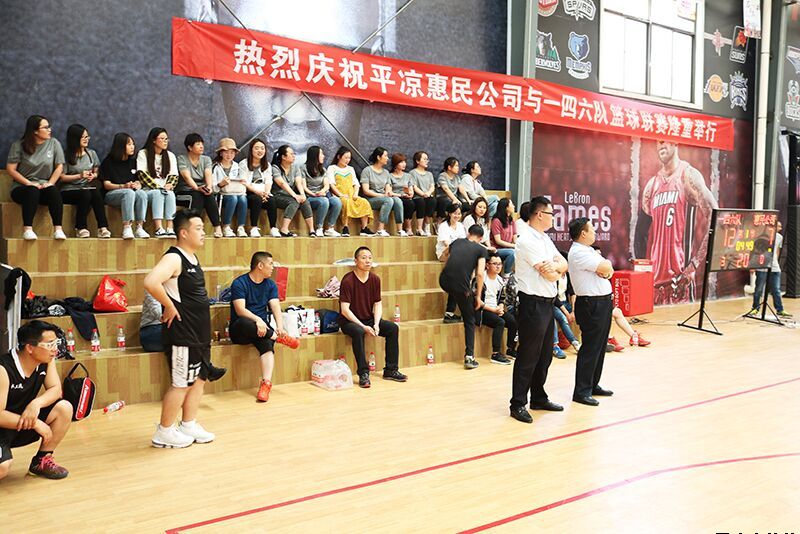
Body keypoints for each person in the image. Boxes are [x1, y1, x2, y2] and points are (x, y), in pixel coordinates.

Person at [143, 209, 215, 449]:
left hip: (199, 333)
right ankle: (164, 431)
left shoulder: (192, 257)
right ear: (183, 233)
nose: (203, 233)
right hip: (183, 333)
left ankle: (188, 424)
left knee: (199, 380)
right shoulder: (174, 258)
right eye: (198, 229)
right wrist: (169, 305)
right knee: (181, 383)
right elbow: (151, 281)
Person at [510, 196, 567, 424]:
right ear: (540, 214)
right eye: (551, 213)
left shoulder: (545, 239)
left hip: (547, 302)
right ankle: (518, 403)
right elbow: (551, 274)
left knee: (544, 355)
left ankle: (538, 397)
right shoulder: (527, 240)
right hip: (532, 303)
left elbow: (563, 264)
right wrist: (557, 269)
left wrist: (557, 267)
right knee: (528, 355)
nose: (554, 217)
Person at [640, 140, 718, 304]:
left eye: (664, 141)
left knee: (682, 320)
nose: (661, 145)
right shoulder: (651, 186)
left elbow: (716, 219)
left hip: (680, 281)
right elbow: (641, 234)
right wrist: (643, 271)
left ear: (675, 143)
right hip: (655, 285)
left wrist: (694, 265)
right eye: (658, 142)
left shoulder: (688, 176)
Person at [0, 321, 73, 480]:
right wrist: (36, 423)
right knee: (2, 468)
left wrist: (36, 403)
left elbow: (55, 389)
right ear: (30, 348)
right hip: (3, 426)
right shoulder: (3, 369)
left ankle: (41, 461)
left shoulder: (46, 360)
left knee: (64, 408)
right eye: (49, 344)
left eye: (56, 343)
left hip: (20, 423)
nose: (55, 349)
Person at [338, 246, 408, 388]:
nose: (368, 261)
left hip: (368, 319)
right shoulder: (348, 280)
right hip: (349, 321)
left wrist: (376, 324)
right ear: (355, 261)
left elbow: (377, 303)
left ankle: (390, 370)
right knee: (358, 332)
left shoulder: (375, 279)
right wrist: (363, 326)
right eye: (364, 258)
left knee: (392, 328)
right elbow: (345, 310)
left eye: (370, 258)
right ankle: (363, 373)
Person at [568, 217, 615, 407]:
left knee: (600, 345)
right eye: (592, 229)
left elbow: (609, 270)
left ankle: (593, 384)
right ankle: (581, 391)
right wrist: (606, 267)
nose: (595, 232)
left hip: (602, 302)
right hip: (591, 304)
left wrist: (606, 269)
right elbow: (606, 266)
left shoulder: (589, 250)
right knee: (590, 347)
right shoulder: (578, 252)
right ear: (583, 233)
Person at [230, 252, 287, 402]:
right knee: (245, 323)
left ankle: (266, 384)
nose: (273, 267)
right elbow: (240, 310)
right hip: (241, 329)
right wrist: (258, 320)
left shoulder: (270, 284)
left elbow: (275, 306)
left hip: (262, 330)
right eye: (271, 264)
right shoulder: (239, 283)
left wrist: (280, 327)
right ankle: (275, 336)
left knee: (267, 343)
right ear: (260, 266)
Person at [5, 115, 66, 241]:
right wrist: (29, 183)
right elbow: (11, 169)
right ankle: (28, 230)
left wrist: (50, 183)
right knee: (32, 191)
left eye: (49, 127)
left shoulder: (54, 143)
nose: (49, 130)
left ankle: (58, 230)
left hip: (44, 186)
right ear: (35, 131)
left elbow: (59, 167)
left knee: (53, 190)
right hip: (23, 187)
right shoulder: (18, 145)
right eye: (46, 127)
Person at [439, 225, 488, 370]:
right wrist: (478, 297)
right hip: (460, 287)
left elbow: (444, 255)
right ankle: (469, 357)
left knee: (455, 290)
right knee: (470, 319)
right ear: (481, 238)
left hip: (443, 281)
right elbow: (480, 274)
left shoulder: (457, 242)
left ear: (468, 233)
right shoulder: (481, 249)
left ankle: (449, 313)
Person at [60, 124, 111, 238]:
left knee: (96, 193)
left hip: (87, 187)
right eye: (83, 137)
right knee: (85, 194)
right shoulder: (65, 155)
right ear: (75, 138)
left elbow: (96, 170)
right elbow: (62, 177)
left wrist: (94, 175)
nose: (86, 139)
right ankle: (80, 227)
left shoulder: (91, 153)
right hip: (69, 190)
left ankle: (103, 227)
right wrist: (79, 176)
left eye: (87, 137)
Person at [100, 132, 150, 239]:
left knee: (141, 194)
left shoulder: (133, 162)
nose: (132, 147)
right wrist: (123, 186)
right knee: (128, 193)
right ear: (121, 146)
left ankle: (139, 227)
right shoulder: (108, 162)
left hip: (131, 192)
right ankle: (127, 227)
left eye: (133, 144)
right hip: (112, 194)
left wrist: (138, 184)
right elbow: (106, 185)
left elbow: (138, 180)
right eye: (129, 144)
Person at [176, 133, 223, 238]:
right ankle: (195, 228)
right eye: (198, 144)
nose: (201, 146)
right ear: (190, 147)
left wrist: (209, 188)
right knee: (197, 195)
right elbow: (187, 177)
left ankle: (217, 228)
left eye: (202, 144)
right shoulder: (182, 159)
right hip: (185, 191)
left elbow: (208, 174)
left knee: (209, 195)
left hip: (201, 189)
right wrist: (196, 188)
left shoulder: (206, 159)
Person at [137, 127, 178, 238]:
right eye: (162, 138)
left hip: (164, 190)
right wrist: (159, 187)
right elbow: (142, 175)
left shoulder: (170, 155)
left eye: (166, 139)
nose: (165, 141)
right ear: (154, 140)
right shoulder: (143, 153)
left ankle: (170, 228)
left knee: (170, 194)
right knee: (158, 193)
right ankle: (158, 228)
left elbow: (174, 176)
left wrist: (169, 185)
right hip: (148, 190)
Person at [476, 252, 515, 365]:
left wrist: (500, 307)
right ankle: (495, 354)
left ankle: (511, 349)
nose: (498, 266)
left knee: (513, 321)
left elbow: (502, 297)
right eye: (495, 264)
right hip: (482, 310)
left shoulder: (500, 280)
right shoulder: (481, 278)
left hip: (495, 309)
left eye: (500, 264)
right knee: (500, 322)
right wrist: (493, 310)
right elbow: (475, 301)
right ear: (487, 265)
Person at [749, 221, 792, 318]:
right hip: (762, 267)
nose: (780, 228)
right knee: (759, 289)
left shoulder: (779, 237)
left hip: (775, 268)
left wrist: (775, 262)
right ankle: (755, 308)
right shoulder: (761, 237)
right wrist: (753, 265)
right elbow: (754, 251)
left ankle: (780, 309)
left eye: (781, 227)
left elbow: (777, 251)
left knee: (776, 290)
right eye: (778, 226)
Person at [326, 146, 372, 236]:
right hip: (339, 195)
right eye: (345, 157)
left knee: (364, 202)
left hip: (351, 194)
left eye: (349, 158)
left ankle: (364, 228)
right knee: (346, 202)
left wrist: (355, 194)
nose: (347, 160)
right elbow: (331, 184)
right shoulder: (332, 168)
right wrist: (340, 195)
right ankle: (345, 227)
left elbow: (356, 184)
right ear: (339, 157)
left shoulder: (350, 169)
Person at [271, 145, 314, 237]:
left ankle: (312, 230)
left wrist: (302, 194)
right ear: (283, 157)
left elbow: (298, 182)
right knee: (294, 202)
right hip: (277, 195)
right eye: (291, 154)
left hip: (289, 195)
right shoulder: (275, 168)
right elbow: (282, 183)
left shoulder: (295, 167)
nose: (294, 156)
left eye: (294, 154)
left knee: (304, 201)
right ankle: (284, 229)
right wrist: (295, 195)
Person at [361, 147, 403, 236]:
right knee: (388, 200)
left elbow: (388, 187)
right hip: (370, 199)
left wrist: (388, 192)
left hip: (383, 197)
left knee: (397, 200)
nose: (387, 158)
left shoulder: (386, 172)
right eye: (385, 156)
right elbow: (366, 190)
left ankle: (400, 230)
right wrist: (382, 195)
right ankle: (380, 229)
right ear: (378, 157)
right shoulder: (367, 170)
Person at [301, 146, 342, 237]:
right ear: (315, 156)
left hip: (322, 195)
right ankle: (319, 228)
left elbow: (326, 185)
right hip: (309, 196)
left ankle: (330, 228)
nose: (323, 156)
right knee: (324, 201)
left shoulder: (323, 170)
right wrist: (313, 194)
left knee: (337, 201)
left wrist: (322, 191)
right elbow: (303, 186)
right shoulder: (303, 168)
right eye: (321, 154)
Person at [240, 138, 276, 238]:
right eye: (256, 148)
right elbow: (243, 182)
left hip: (263, 191)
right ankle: (254, 228)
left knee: (272, 200)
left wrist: (266, 193)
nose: (260, 151)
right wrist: (257, 192)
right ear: (251, 150)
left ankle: (273, 228)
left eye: (262, 148)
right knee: (256, 199)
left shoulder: (267, 165)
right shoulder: (244, 163)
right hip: (249, 192)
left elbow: (269, 180)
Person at [437, 203, 467, 324]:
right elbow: (446, 244)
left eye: (459, 214)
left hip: (458, 254)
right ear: (449, 213)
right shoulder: (443, 226)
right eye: (455, 213)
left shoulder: (460, 226)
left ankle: (451, 312)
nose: (457, 216)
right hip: (444, 253)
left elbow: (464, 242)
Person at [212, 138, 247, 237]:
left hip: (237, 192)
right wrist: (220, 184)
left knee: (243, 199)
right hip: (222, 195)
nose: (229, 155)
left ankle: (241, 227)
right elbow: (213, 188)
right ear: (221, 153)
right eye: (226, 152)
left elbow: (244, 180)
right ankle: (226, 226)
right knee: (233, 198)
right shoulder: (215, 166)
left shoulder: (237, 166)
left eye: (232, 153)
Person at [409, 151, 437, 236]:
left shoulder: (429, 174)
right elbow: (414, 186)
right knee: (421, 202)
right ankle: (419, 228)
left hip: (427, 195)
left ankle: (427, 226)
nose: (427, 161)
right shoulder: (412, 173)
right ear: (417, 161)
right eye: (424, 159)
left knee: (432, 201)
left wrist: (428, 193)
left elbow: (432, 186)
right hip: (417, 197)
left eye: (427, 159)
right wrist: (423, 194)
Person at [389, 153, 416, 237]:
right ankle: (403, 228)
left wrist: (410, 193)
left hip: (406, 197)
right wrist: (401, 195)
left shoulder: (408, 176)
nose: (404, 164)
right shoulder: (389, 176)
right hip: (395, 196)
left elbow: (411, 190)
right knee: (403, 202)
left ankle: (408, 227)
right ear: (395, 163)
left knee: (411, 203)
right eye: (401, 162)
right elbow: (389, 192)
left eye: (405, 162)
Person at [491, 198, 517, 275]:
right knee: (512, 252)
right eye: (511, 204)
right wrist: (513, 246)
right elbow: (498, 241)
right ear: (506, 207)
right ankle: (506, 274)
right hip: (497, 249)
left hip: (509, 247)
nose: (514, 206)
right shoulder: (496, 221)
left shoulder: (511, 221)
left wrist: (516, 244)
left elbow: (514, 235)